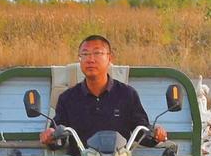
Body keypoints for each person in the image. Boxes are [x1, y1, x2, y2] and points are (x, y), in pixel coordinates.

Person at [40, 34, 168, 147]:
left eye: (97, 53)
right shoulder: (68, 98)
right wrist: (50, 136)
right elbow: (59, 137)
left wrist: (156, 134)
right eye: (85, 54)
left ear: (109, 58)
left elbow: (141, 133)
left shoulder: (127, 94)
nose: (90, 59)